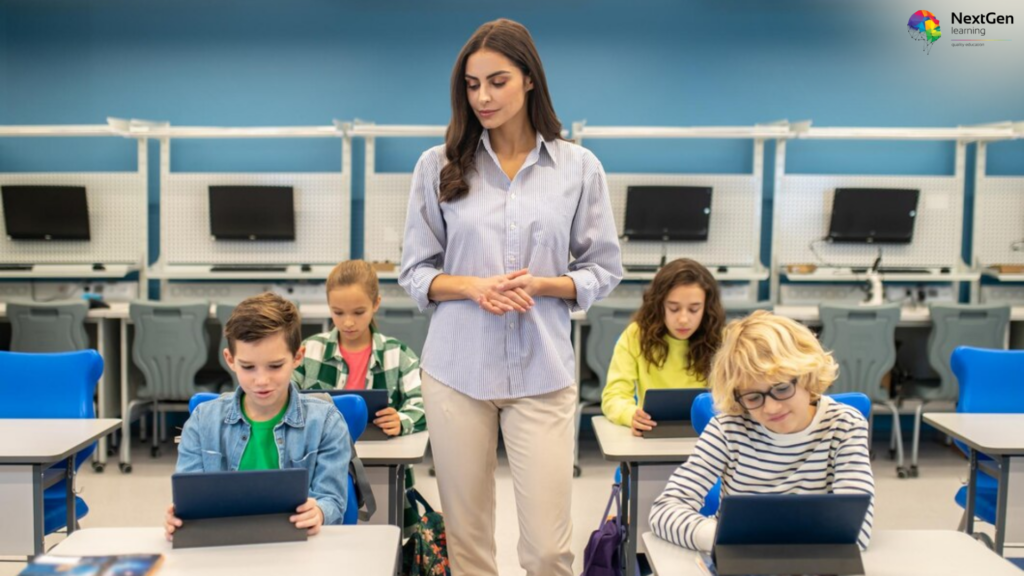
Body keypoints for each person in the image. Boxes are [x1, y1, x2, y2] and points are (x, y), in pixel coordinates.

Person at [399, 18, 622, 576]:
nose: (483, 97)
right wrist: (472, 286)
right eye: (472, 85)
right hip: (456, 371)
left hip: (542, 372)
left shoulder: (578, 168)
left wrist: (548, 284)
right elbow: (415, 273)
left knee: (549, 550)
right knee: (469, 544)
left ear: (528, 80)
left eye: (497, 81)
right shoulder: (438, 165)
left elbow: (603, 268)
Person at [649, 311, 875, 552]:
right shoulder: (728, 428)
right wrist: (718, 538)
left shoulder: (845, 426)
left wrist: (767, 544)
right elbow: (664, 510)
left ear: (807, 375)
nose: (771, 407)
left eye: (781, 389)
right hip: (737, 556)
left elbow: (856, 530)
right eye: (753, 397)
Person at [164, 293, 351, 541]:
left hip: (297, 550)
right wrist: (179, 517)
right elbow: (189, 499)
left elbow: (333, 501)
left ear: (297, 357)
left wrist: (318, 512)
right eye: (248, 367)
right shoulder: (202, 422)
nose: (261, 380)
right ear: (230, 360)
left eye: (275, 366)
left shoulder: (326, 422)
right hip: (224, 549)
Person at [601, 258, 725, 436]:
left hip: (709, 438)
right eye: (674, 308)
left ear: (707, 308)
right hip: (652, 434)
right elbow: (614, 395)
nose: (683, 319)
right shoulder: (636, 335)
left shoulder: (722, 340)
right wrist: (630, 415)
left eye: (694, 309)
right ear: (659, 305)